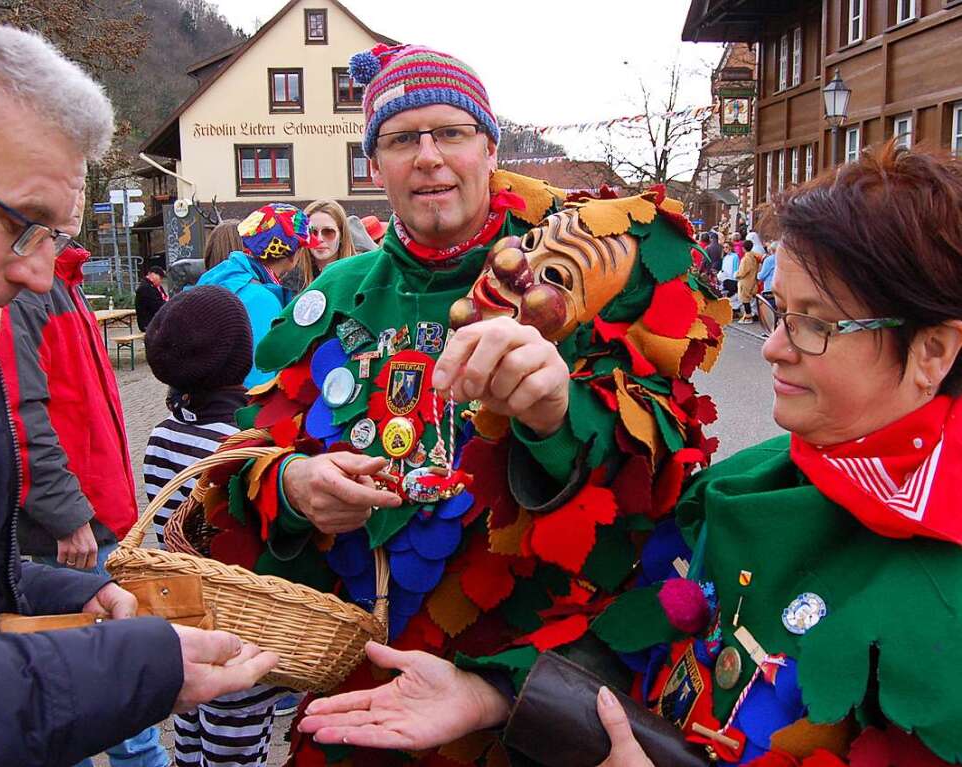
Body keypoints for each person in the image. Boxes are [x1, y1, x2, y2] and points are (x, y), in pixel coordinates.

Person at [299, 141, 962, 766]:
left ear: (932, 351)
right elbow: (635, 633)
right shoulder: (752, 477)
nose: (771, 346)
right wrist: (495, 692)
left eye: (814, 323)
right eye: (778, 310)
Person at [200, 42, 728, 766]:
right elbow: (239, 468)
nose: (426, 156)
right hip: (365, 697)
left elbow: (656, 486)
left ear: (488, 145)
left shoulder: (577, 274)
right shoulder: (328, 299)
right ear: (373, 163)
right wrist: (291, 489)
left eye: (449, 132)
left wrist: (552, 417)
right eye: (399, 139)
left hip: (523, 695)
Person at [0, 18, 278, 766]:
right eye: (20, 223)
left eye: (52, 235)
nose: (37, 272)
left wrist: (54, 593)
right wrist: (138, 666)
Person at [0, 182, 168, 764]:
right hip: (68, 536)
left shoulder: (65, 284)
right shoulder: (28, 294)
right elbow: (22, 417)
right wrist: (68, 517)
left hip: (98, 520)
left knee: (110, 701)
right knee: (105, 706)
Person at [142, 286, 290, 767]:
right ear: (239, 356)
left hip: (185, 616)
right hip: (239, 624)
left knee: (191, 730)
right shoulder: (245, 443)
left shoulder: (162, 433)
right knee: (237, 741)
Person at [197, 203, 318, 387]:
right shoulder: (261, 298)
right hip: (237, 407)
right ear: (294, 254)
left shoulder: (223, 276)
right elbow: (259, 375)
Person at [304, 198, 356, 277]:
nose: (319, 239)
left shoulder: (357, 273)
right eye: (312, 232)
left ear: (342, 235)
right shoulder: (291, 277)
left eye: (328, 232)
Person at [135, 265, 168, 330]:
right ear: (152, 275)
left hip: (155, 320)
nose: (161, 281)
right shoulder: (145, 288)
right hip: (148, 323)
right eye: (160, 278)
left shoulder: (156, 287)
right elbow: (156, 305)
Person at [735, 238, 759, 323]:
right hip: (752, 279)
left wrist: (737, 275)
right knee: (750, 299)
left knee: (745, 299)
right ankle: (751, 315)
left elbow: (743, 271)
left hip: (745, 281)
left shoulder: (746, 258)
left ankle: (748, 317)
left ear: (743, 248)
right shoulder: (754, 256)